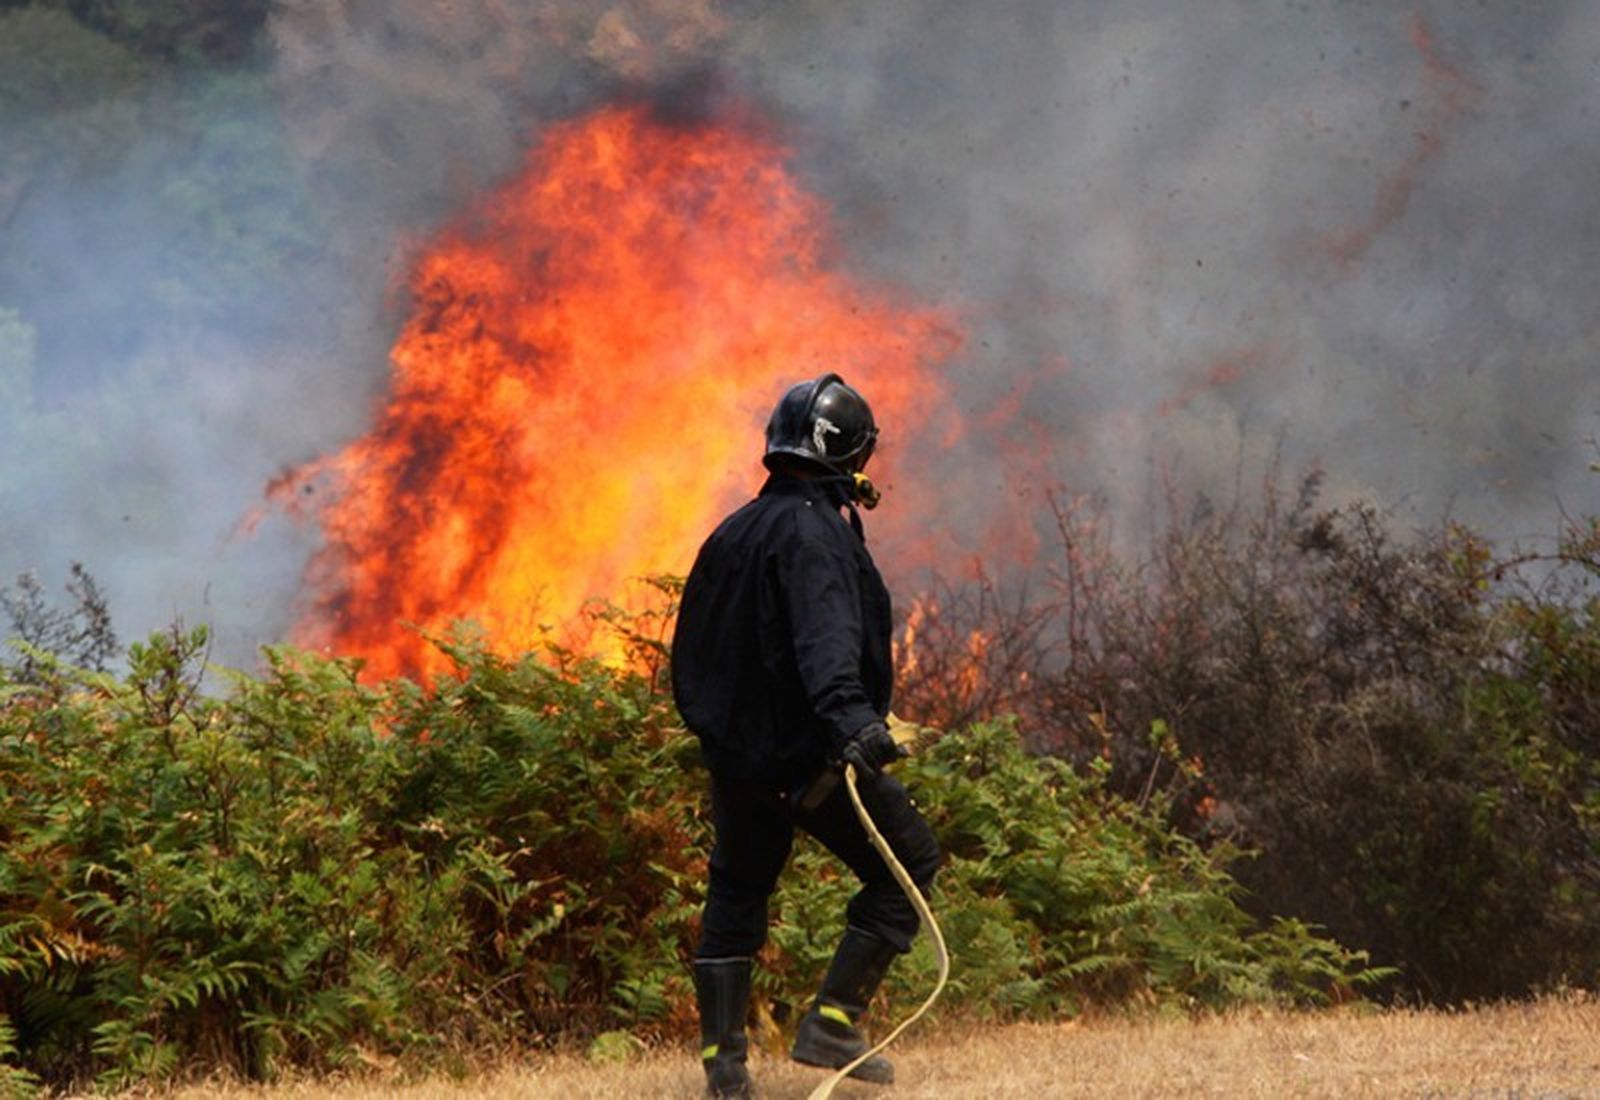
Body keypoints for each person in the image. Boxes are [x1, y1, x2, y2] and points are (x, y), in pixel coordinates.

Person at [672, 373, 942, 1099]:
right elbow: (824, 640)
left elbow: (693, 651)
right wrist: (854, 722)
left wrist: (725, 745)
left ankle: (725, 1076)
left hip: (739, 765)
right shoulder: (813, 535)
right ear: (848, 452)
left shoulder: (733, 530)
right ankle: (830, 1023)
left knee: (736, 894)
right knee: (908, 861)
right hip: (805, 759)